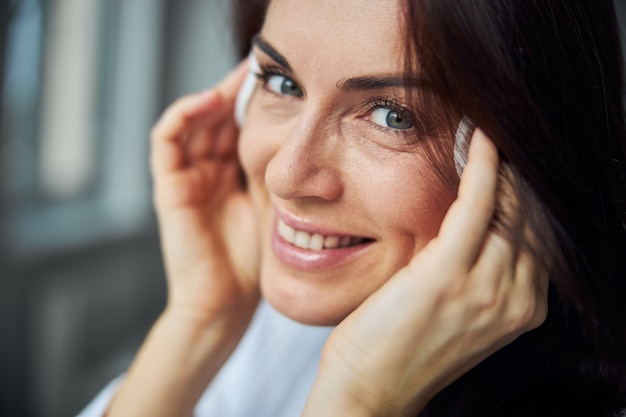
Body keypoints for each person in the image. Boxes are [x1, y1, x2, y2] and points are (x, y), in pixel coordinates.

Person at [79, 0, 626, 416]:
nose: (284, 176)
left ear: (520, 166)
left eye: (392, 116)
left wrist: (360, 398)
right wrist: (201, 324)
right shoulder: (280, 328)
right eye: (281, 81)